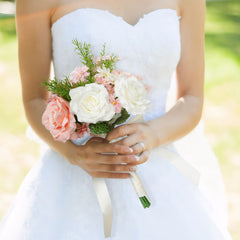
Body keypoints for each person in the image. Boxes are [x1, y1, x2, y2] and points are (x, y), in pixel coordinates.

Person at [0, 0, 233, 239]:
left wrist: (152, 134)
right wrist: (75, 154)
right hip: (75, 177)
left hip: (158, 177)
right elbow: (34, 100)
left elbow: (192, 98)